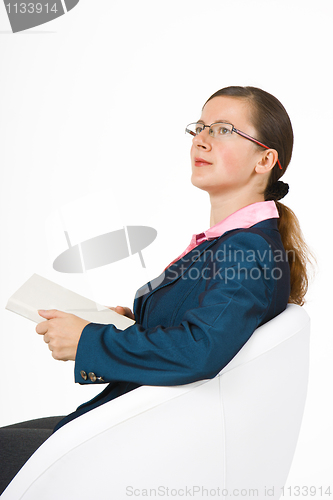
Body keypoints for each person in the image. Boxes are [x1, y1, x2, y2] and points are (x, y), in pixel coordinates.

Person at [0, 86, 312, 494]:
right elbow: (209, 328)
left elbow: (200, 350)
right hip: (146, 427)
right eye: (200, 127)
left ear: (265, 159)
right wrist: (132, 323)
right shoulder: (230, 242)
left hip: (156, 441)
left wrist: (89, 340)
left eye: (223, 130)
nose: (200, 139)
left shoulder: (246, 248)